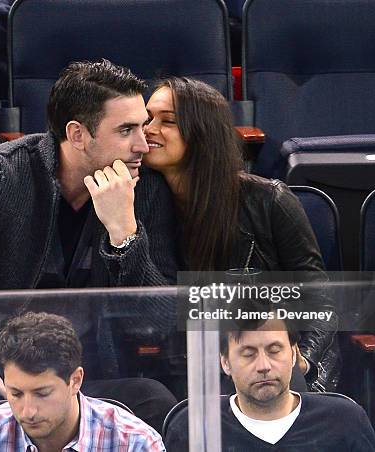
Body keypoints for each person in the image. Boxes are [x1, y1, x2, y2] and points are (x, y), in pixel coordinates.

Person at [0, 60, 177, 429]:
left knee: (155, 402)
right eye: (126, 130)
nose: (142, 143)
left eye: (142, 126)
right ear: (77, 134)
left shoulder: (144, 187)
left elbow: (159, 319)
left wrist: (124, 235)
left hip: (80, 376)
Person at [142, 76, 339, 392]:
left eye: (167, 121)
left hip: (274, 363)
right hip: (193, 372)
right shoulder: (142, 207)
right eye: (146, 118)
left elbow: (320, 302)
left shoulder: (269, 200)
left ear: (202, 134)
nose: (148, 129)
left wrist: (302, 362)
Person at [0, 312, 165, 451]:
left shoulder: (135, 443)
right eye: (15, 394)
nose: (28, 412)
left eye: (42, 393)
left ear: (75, 380)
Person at [164, 315, 375, 451]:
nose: (264, 365)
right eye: (248, 354)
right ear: (225, 363)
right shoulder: (194, 426)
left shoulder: (345, 420)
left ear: (294, 355)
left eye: (274, 351)